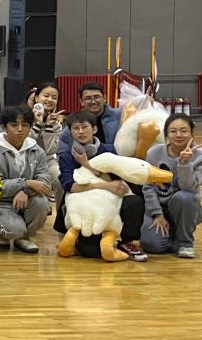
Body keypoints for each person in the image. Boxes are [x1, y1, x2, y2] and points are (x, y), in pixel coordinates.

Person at [56, 111, 148, 262]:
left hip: (110, 200)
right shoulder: (66, 156)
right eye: (75, 128)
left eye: (84, 127)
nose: (80, 131)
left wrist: (87, 165)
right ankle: (82, 239)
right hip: (85, 203)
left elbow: (116, 180)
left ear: (94, 129)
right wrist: (104, 186)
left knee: (135, 202)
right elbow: (70, 186)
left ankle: (125, 241)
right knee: (90, 251)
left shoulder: (108, 150)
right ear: (70, 132)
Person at [0, 106, 52, 253]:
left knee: (42, 203)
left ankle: (24, 237)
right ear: (4, 127)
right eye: (14, 125)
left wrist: (26, 191)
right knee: (13, 230)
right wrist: (26, 183)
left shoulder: (37, 150)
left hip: (28, 199)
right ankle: (3, 232)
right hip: (1, 202)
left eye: (25, 125)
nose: (20, 129)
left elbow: (45, 181)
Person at [140, 114, 202, 258]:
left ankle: (185, 243)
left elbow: (189, 188)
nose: (178, 135)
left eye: (184, 131)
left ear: (192, 133)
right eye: (173, 131)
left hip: (185, 206)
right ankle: (173, 233)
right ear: (166, 134)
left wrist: (184, 163)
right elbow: (148, 187)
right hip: (160, 206)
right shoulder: (154, 153)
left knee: (185, 197)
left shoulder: (201, 156)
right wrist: (157, 214)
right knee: (153, 245)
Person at [58, 82, 122, 152]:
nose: (93, 101)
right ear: (81, 102)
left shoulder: (119, 115)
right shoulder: (75, 121)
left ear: (104, 98)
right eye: (88, 98)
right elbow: (62, 143)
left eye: (96, 97)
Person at [27, 82, 64, 200]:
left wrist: (48, 126)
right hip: (26, 161)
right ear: (37, 97)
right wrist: (38, 124)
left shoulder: (56, 124)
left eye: (54, 97)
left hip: (48, 161)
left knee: (59, 178)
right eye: (46, 96)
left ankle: (60, 210)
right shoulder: (25, 118)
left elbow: (50, 150)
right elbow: (26, 144)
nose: (50, 100)